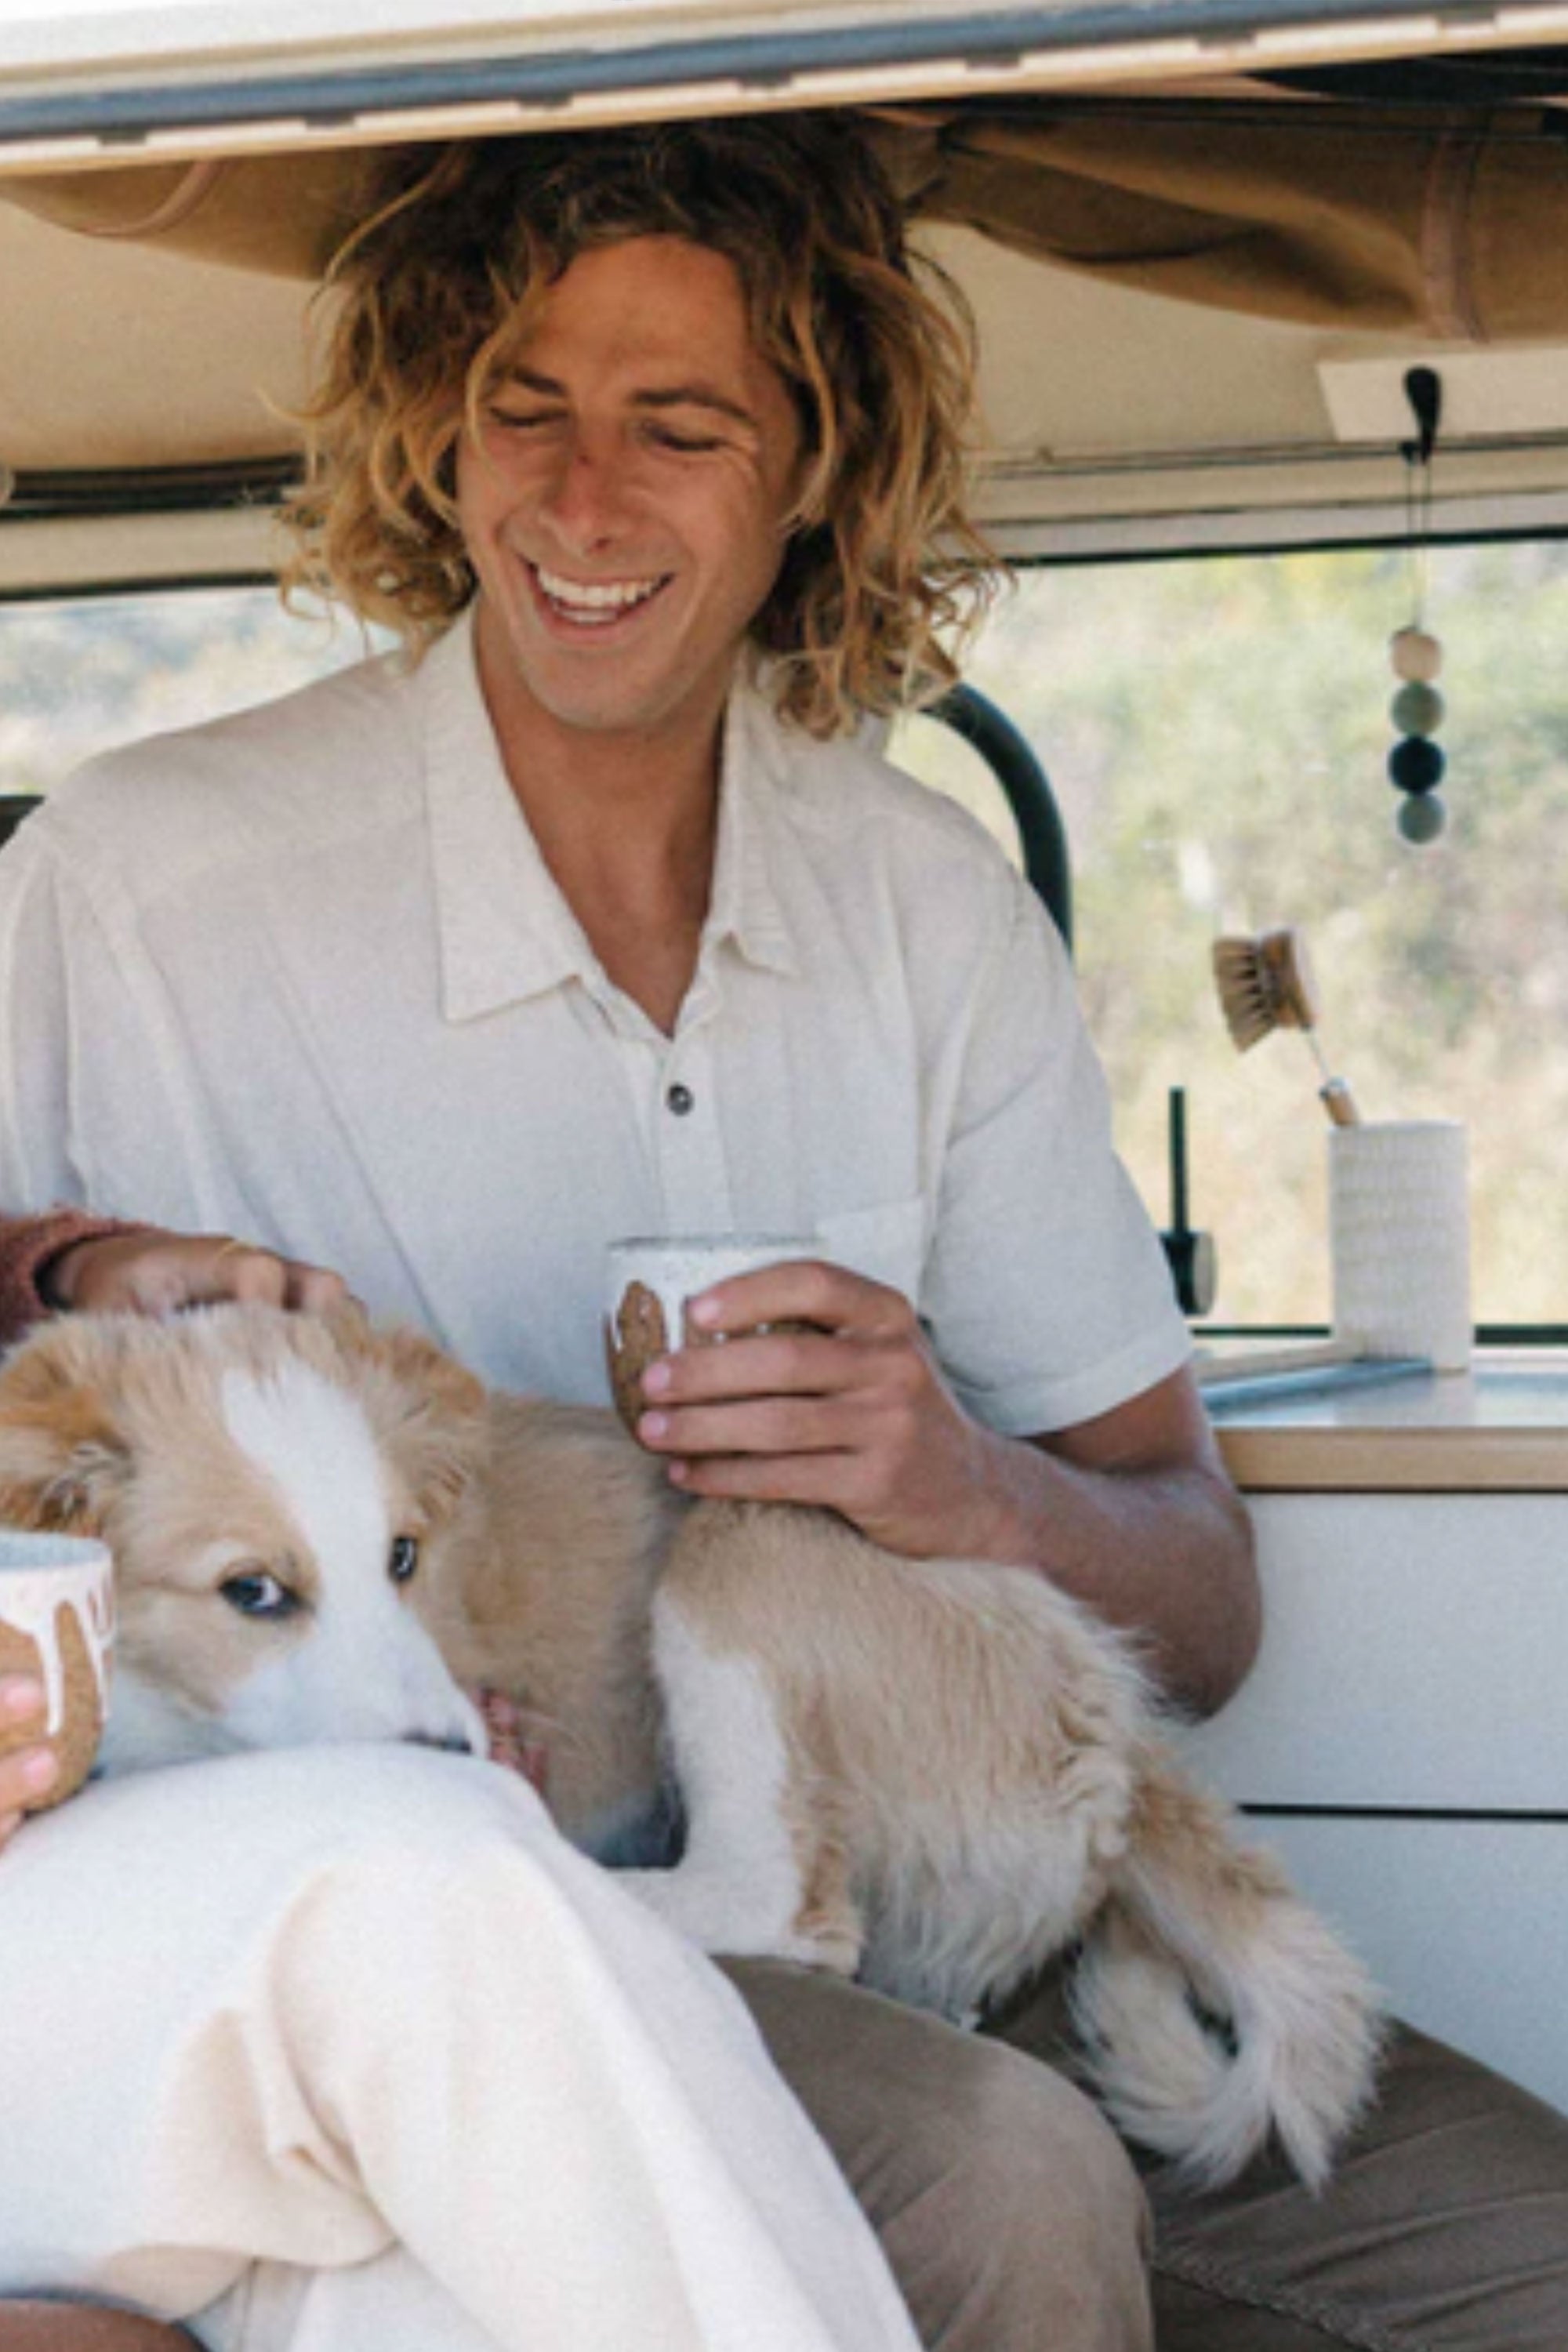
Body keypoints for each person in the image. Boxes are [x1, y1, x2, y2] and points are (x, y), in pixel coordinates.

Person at [0, 112, 1561, 2352]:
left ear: (818, 464)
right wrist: (67, 1269)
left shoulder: (933, 908)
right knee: (1003, 2191)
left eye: (681, 424)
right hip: (540, 1940)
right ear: (436, 446)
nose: (584, 497)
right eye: (522, 409)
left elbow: (1198, 1592)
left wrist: (965, 1483)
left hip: (978, 1883)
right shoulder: (141, 880)